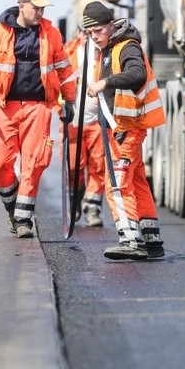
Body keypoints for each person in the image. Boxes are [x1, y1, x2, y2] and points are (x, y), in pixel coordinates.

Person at [0, 0, 76, 238]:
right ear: (21, 6)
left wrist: (68, 99)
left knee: (34, 163)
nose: (40, 12)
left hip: (39, 107)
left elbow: (64, 68)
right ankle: (12, 208)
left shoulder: (51, 34)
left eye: (43, 9)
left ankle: (23, 221)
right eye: (36, 8)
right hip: (6, 107)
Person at [83, 1, 166, 260]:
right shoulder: (107, 49)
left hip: (127, 130)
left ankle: (130, 240)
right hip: (122, 128)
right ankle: (151, 239)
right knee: (138, 180)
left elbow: (136, 75)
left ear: (111, 25)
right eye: (90, 33)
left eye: (98, 30)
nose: (94, 36)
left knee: (117, 184)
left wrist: (104, 82)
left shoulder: (127, 47)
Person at [62, 28, 106, 227]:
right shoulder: (66, 54)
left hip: (98, 121)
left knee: (98, 165)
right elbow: (57, 84)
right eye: (85, 32)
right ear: (78, 32)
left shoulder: (105, 53)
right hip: (73, 122)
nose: (89, 36)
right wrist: (60, 109)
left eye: (93, 31)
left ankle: (92, 208)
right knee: (73, 166)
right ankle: (75, 199)